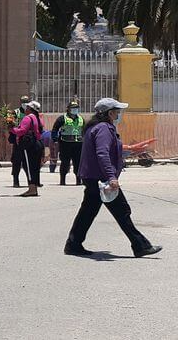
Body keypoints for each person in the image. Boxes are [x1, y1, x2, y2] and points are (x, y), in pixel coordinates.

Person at [64, 98, 162, 258]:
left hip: (93, 177)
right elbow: (102, 153)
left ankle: (73, 244)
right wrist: (111, 177)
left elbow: (107, 150)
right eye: (117, 112)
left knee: (88, 212)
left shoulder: (97, 127)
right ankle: (140, 245)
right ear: (109, 113)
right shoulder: (103, 128)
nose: (119, 114)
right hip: (101, 178)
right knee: (122, 211)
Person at [9, 101, 44, 197]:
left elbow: (22, 131)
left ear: (30, 109)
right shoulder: (37, 118)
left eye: (27, 107)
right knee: (35, 167)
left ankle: (32, 189)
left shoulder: (28, 118)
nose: (26, 109)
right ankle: (34, 188)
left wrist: (11, 129)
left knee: (28, 166)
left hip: (29, 146)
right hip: (37, 144)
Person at [51, 100, 83, 186]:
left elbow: (84, 131)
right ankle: (62, 180)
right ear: (68, 109)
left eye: (76, 108)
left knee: (78, 163)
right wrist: (55, 140)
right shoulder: (62, 118)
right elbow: (55, 129)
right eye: (73, 108)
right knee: (65, 162)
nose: (75, 110)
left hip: (78, 144)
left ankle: (78, 180)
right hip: (65, 144)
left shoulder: (81, 118)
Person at [9, 95, 30, 187]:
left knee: (29, 162)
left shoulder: (31, 112)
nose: (25, 104)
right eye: (23, 102)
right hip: (18, 139)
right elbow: (10, 124)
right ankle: (16, 181)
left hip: (29, 140)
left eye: (26, 102)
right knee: (17, 161)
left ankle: (31, 181)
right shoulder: (15, 112)